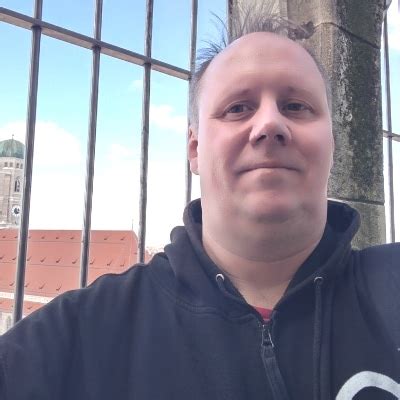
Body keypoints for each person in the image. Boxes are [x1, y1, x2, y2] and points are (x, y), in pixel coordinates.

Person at [1, 13, 399, 400]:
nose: (269, 125)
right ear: (194, 148)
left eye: (296, 106)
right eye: (238, 108)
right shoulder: (80, 334)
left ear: (332, 143)